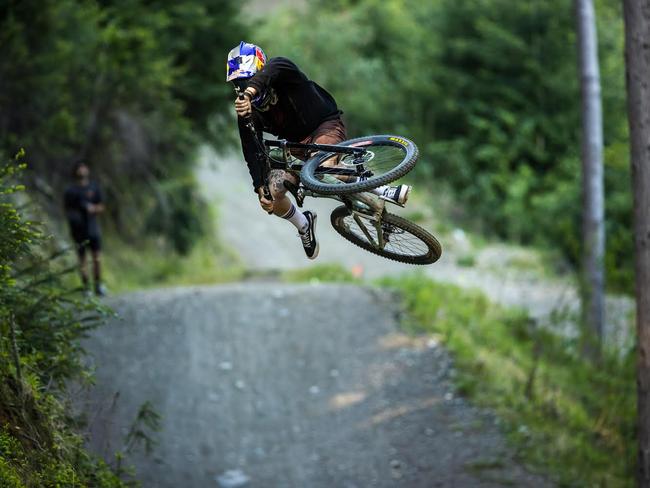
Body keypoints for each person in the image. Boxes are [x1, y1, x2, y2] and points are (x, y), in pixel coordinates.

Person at [227, 41, 410, 259]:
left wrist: (249, 92)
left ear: (259, 71)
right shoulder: (248, 111)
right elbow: (251, 148)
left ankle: (383, 190)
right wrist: (259, 187)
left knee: (323, 169)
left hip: (324, 126)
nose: (242, 85)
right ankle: (304, 224)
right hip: (296, 146)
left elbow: (277, 65)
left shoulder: (282, 73)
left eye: (247, 79)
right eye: (238, 82)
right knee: (272, 195)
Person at [64, 161, 106, 296]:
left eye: (84, 167)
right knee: (82, 259)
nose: (82, 170)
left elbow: (101, 205)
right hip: (78, 230)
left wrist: (93, 209)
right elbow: (67, 210)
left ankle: (98, 285)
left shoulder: (94, 187)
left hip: (93, 228)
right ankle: (86, 287)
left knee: (97, 258)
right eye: (79, 168)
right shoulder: (71, 191)